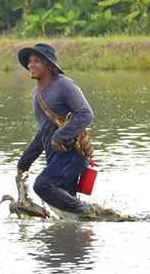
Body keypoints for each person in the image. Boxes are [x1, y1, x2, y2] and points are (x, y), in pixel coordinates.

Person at [15, 43, 93, 218]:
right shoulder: (35, 94)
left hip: (72, 155)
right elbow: (43, 131)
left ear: (49, 65)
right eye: (29, 61)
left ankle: (92, 214)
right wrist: (24, 162)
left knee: (42, 185)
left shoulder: (64, 85)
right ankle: (84, 222)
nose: (30, 65)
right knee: (68, 215)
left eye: (36, 61)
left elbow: (86, 114)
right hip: (54, 159)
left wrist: (60, 136)